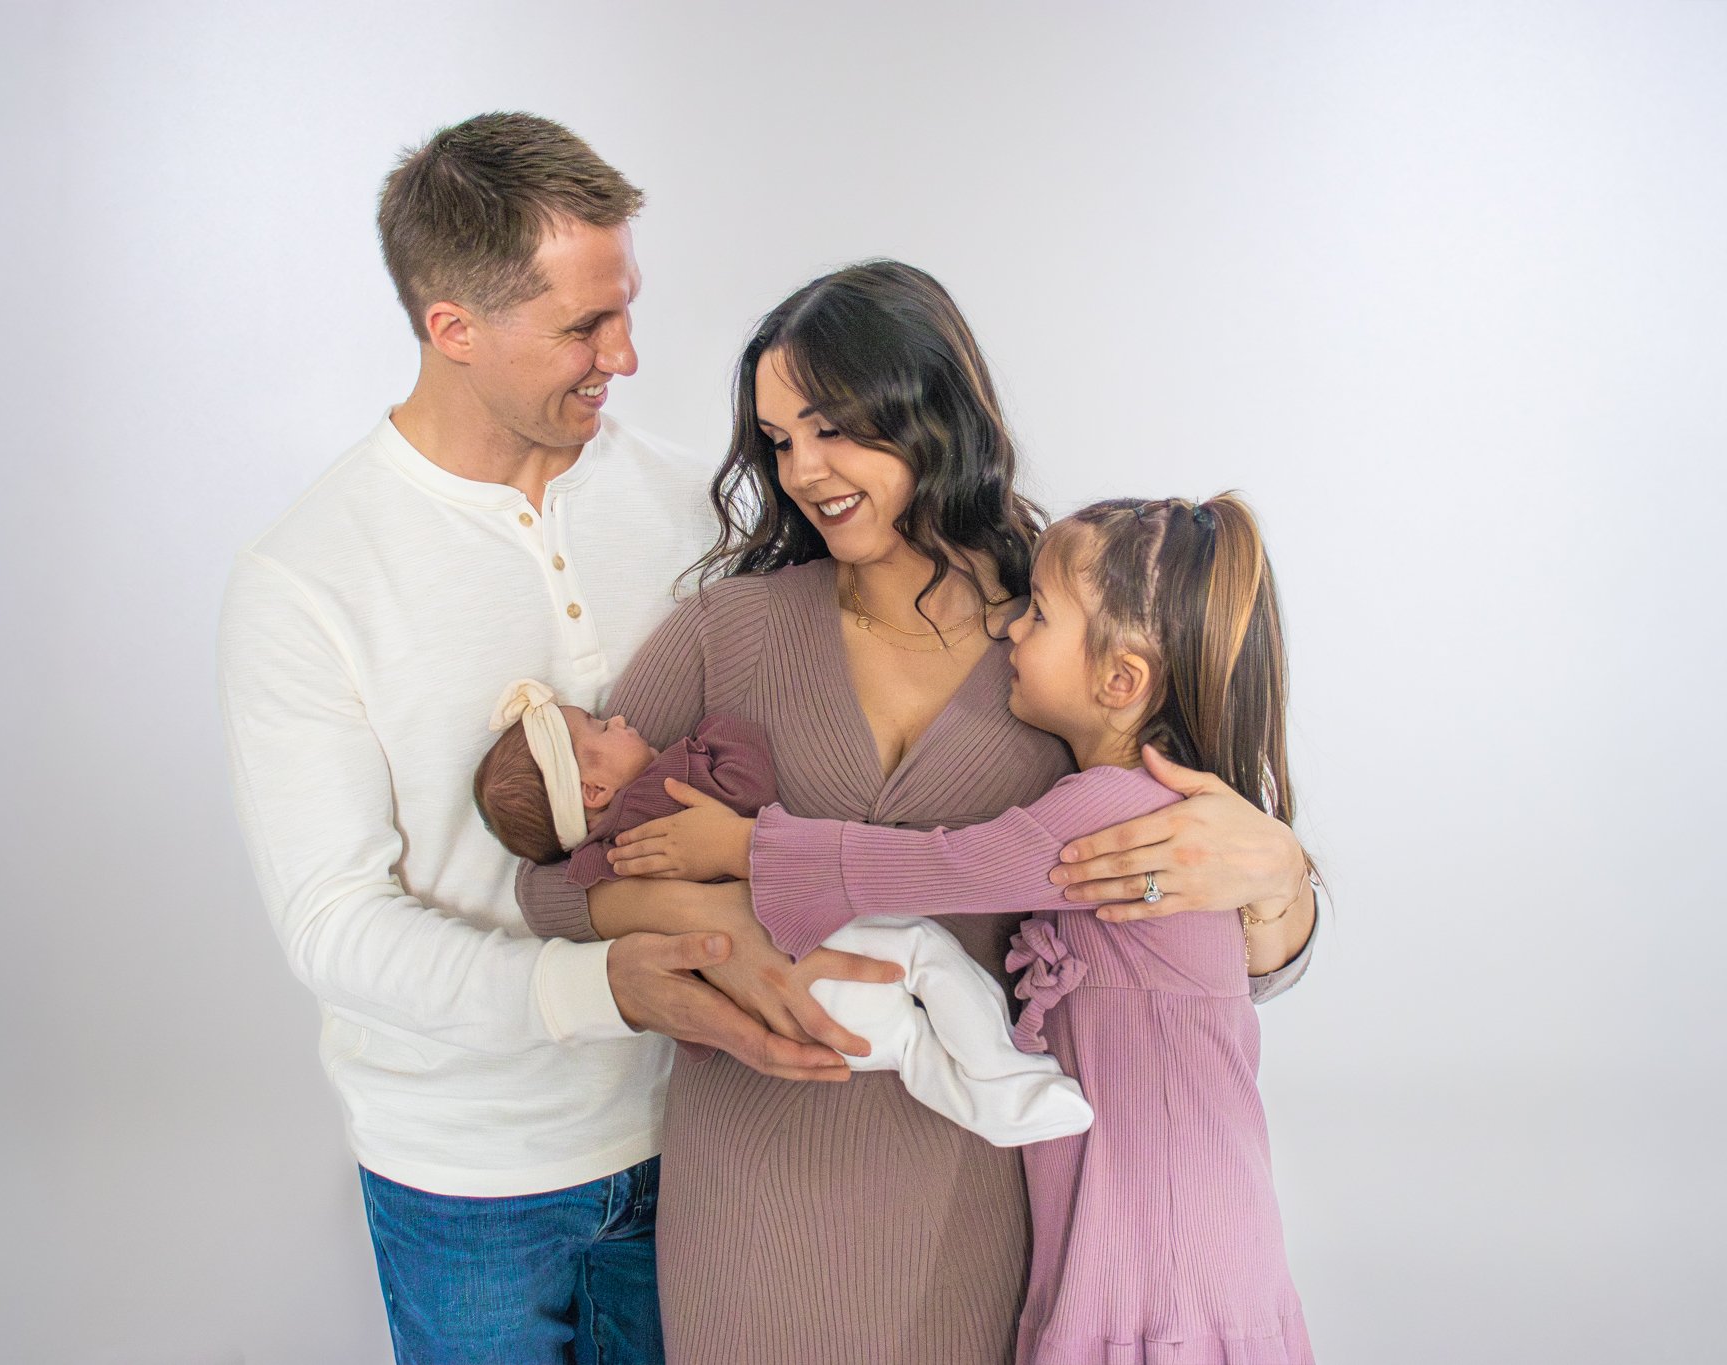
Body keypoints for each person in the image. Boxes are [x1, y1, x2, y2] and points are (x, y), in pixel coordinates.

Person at [515, 261, 1320, 1364]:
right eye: (777, 441)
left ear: (931, 410)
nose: (803, 470)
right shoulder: (725, 633)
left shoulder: (1068, 652)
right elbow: (550, 884)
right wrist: (713, 923)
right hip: (749, 1208)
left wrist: (1279, 879)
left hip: (990, 1219)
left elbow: (1220, 953)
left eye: (831, 427)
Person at [215, 112, 890, 1365]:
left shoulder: (696, 507)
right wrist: (601, 986)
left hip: (717, 1134)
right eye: (585, 326)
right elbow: (334, 926)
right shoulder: (305, 581)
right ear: (453, 328)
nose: (624, 356)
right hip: (471, 1183)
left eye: (624, 310)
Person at [620, 494, 1318, 1363]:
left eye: (1040, 615)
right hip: (1130, 1215)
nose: (1012, 628)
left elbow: (945, 865)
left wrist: (744, 846)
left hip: (1163, 1230)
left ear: (1121, 680)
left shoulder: (1115, 809)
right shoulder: (1130, 799)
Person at [474, 680, 1094, 1147]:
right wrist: (716, 735)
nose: (618, 717)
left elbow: (555, 892)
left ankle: (1000, 1105)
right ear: (592, 790)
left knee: (907, 1043)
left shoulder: (593, 861)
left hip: (768, 1009)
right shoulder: (666, 787)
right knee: (922, 951)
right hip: (799, 951)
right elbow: (750, 781)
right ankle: (1003, 1074)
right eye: (598, 728)